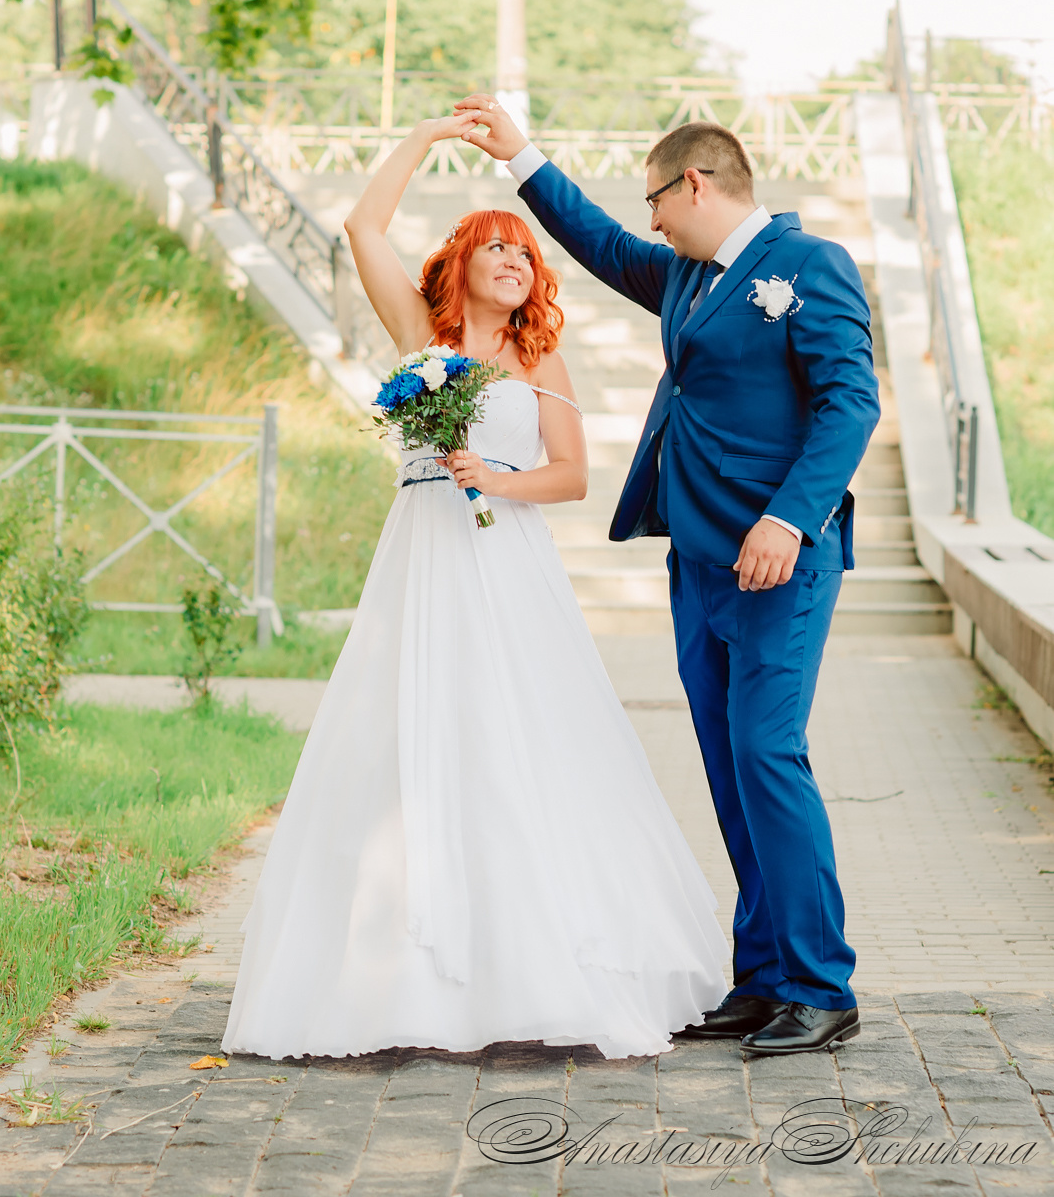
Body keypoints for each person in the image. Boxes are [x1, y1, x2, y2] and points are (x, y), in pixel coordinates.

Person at [221, 111, 729, 1063]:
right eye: (492, 247)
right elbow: (364, 231)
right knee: (411, 735)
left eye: (523, 252)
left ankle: (540, 963)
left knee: (522, 740)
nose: (511, 260)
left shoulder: (541, 359)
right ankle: (401, 968)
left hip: (508, 563)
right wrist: (422, 138)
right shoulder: (420, 335)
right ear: (459, 267)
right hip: (422, 556)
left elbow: (573, 475)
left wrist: (497, 478)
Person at [455, 100, 881, 1059]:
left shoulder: (812, 268)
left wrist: (787, 516)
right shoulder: (686, 275)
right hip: (698, 559)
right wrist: (520, 155)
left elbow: (851, 403)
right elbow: (601, 243)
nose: (649, 221)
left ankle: (823, 984)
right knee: (731, 771)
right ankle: (764, 975)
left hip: (779, 556)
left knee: (771, 758)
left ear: (695, 182)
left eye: (657, 200)